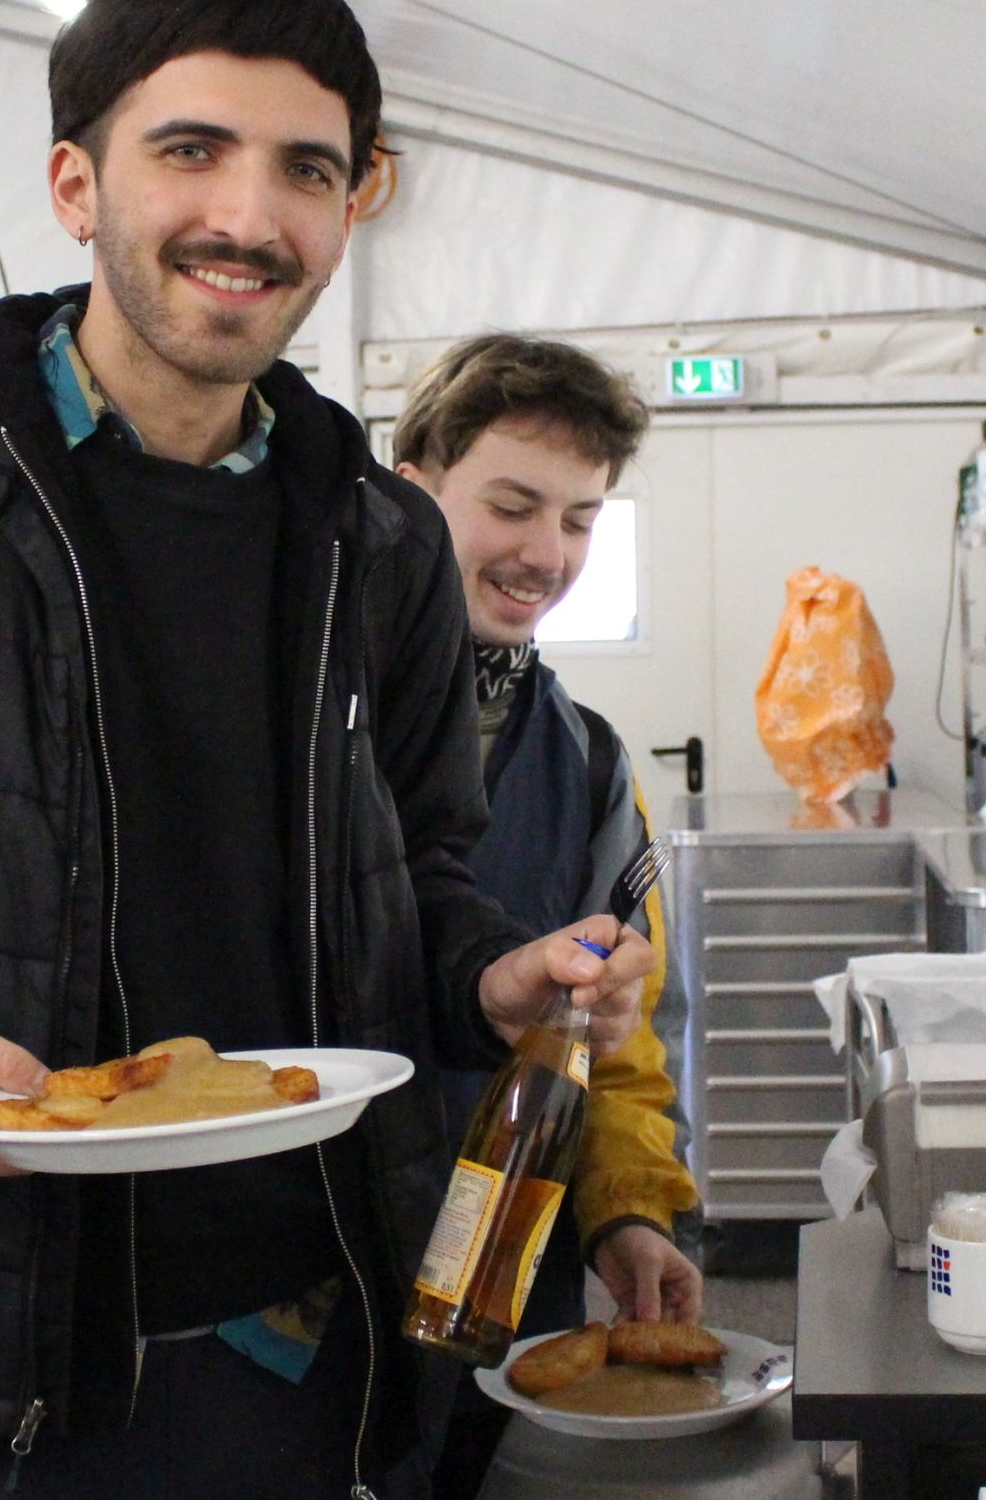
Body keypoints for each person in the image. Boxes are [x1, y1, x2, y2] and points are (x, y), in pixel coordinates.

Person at [0, 4, 656, 1498]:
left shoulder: (376, 536)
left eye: (307, 170)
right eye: (191, 151)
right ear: (77, 186)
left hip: (298, 1337)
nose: (249, 217)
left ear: (360, 200)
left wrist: (493, 976)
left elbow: (423, 862)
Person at [393, 335, 705, 1497]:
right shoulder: (298, 723)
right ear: (413, 487)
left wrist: (626, 1213)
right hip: (291, 1287)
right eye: (514, 507)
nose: (545, 554)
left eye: (579, 520)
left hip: (506, 1274)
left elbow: (615, 1044)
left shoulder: (587, 765)